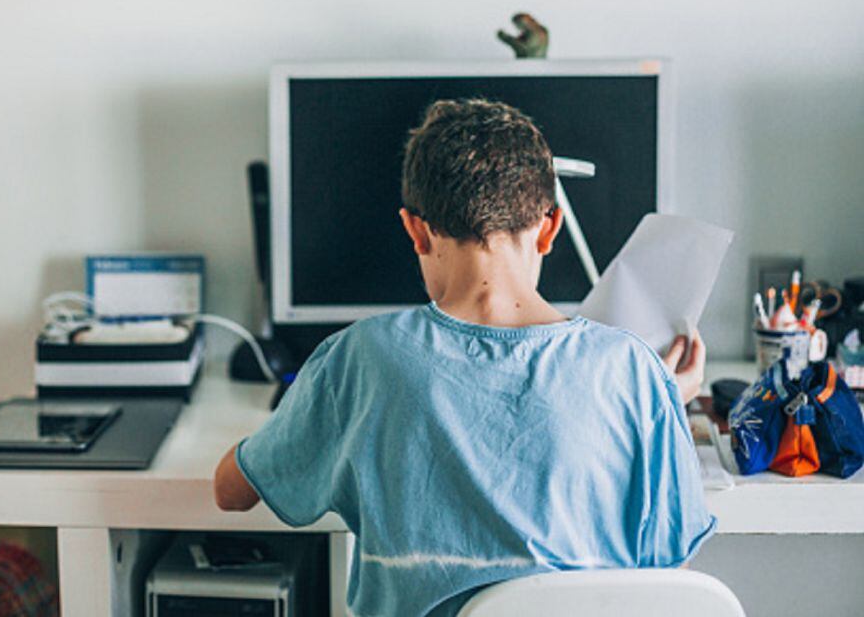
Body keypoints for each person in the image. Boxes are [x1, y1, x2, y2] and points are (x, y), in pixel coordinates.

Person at [213, 99, 715, 616]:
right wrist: (659, 399)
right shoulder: (631, 371)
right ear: (549, 229)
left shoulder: (359, 359)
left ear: (416, 230)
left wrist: (298, 419)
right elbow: (665, 575)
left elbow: (231, 492)